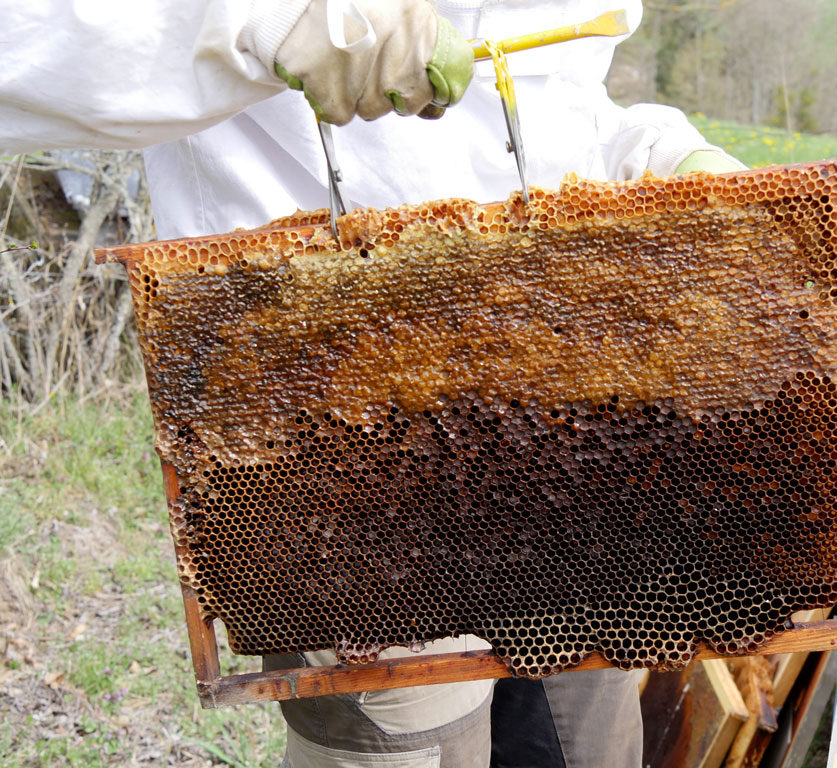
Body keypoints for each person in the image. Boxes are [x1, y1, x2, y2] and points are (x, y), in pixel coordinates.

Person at [1, 2, 743, 766]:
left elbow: (546, 101)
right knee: (408, 734)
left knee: (581, 743)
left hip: (563, 432)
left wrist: (648, 149)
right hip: (337, 448)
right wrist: (264, 23)